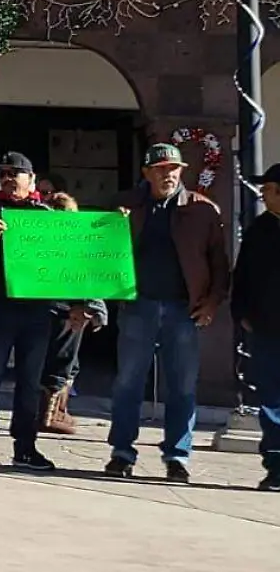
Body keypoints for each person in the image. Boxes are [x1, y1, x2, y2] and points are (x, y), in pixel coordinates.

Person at [105, 144, 230, 481]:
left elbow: (220, 265)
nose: (168, 174)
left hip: (183, 311)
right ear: (146, 172)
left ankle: (177, 456)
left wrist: (212, 302)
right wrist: (117, 225)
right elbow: (98, 252)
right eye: (160, 168)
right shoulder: (125, 206)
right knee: (128, 383)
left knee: (183, 386)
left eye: (174, 168)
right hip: (137, 306)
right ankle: (121, 452)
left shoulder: (204, 211)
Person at [0, 152, 64, 472]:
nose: (7, 178)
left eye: (15, 173)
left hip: (36, 312)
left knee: (30, 383)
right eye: (2, 173)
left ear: (31, 180)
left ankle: (26, 447)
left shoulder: (47, 214)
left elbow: (67, 260)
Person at [38, 191, 106, 436]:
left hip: (71, 310)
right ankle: (49, 414)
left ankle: (56, 411)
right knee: (61, 363)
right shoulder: (46, 242)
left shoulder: (76, 243)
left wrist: (92, 309)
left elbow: (91, 276)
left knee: (67, 364)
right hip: (63, 311)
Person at [233, 167, 280, 492]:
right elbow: (243, 275)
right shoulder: (259, 230)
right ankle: (276, 466)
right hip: (266, 329)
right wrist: (241, 313)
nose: (262, 194)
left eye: (269, 189)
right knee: (271, 400)